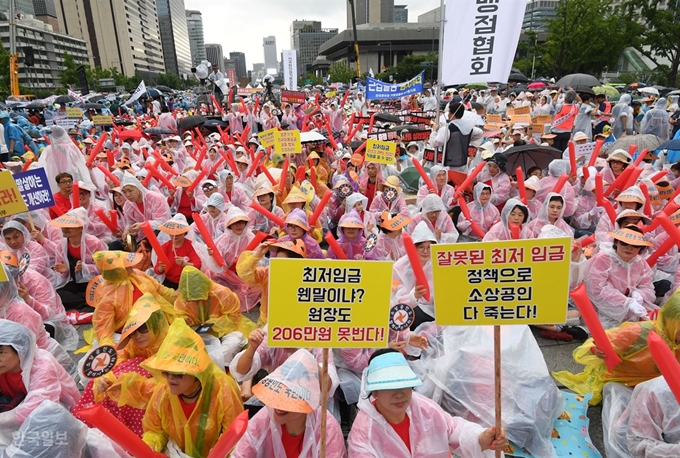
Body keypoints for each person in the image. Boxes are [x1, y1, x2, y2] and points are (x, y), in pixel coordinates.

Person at [347, 349, 507, 457]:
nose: (399, 395)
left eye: (404, 385)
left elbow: (452, 429)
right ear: (374, 392)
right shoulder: (363, 435)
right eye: (390, 387)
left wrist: (480, 438)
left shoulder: (423, 407)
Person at [554, 290, 680, 405]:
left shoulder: (675, 342)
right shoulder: (638, 333)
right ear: (672, 322)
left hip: (656, 386)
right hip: (622, 381)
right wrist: (597, 350)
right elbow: (600, 343)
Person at [142, 319, 244, 457]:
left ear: (196, 372)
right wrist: (150, 444)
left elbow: (233, 437)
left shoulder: (224, 389)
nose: (170, 378)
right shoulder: (164, 390)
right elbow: (155, 430)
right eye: (166, 371)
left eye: (178, 373)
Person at [72, 294, 169, 437]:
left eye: (143, 329)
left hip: (159, 402)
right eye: (133, 331)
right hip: (138, 386)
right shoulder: (136, 343)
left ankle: (120, 431)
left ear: (156, 325)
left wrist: (134, 385)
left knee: (130, 381)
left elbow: (169, 388)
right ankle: (91, 423)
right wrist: (105, 377)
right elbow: (119, 355)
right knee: (105, 380)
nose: (138, 336)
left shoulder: (170, 346)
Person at [232, 349, 346, 458]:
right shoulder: (262, 420)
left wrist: (311, 362)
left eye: (290, 398)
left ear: (308, 401)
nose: (279, 405)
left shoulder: (327, 428)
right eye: (278, 395)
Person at [0, 319, 80, 429]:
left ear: (20, 349)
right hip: (18, 404)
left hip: (56, 413)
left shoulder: (42, 366)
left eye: (1, 352)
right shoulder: (6, 365)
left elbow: (38, 408)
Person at [90, 250, 177, 347]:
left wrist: (180, 297)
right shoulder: (106, 295)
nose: (131, 266)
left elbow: (161, 290)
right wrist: (109, 350)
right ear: (117, 270)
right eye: (126, 265)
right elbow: (104, 328)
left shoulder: (138, 275)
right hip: (127, 335)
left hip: (152, 327)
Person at [584, 226, 656, 329]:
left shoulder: (639, 262)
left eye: (635, 245)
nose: (629, 248)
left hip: (632, 308)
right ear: (616, 242)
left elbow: (648, 287)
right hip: (601, 307)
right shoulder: (603, 259)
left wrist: (640, 295)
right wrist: (626, 302)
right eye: (624, 243)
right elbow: (596, 290)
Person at [49, 208, 107, 311]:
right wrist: (65, 270)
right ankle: (86, 302)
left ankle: (86, 302)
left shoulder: (94, 243)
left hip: (97, 282)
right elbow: (62, 274)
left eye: (70, 226)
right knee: (58, 294)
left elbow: (105, 266)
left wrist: (86, 268)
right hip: (76, 283)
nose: (65, 228)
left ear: (81, 228)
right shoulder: (60, 246)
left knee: (103, 291)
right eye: (64, 225)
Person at [120, 172, 172, 243]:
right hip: (141, 238)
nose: (128, 195)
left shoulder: (156, 199)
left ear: (138, 188)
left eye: (130, 191)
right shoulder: (127, 206)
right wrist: (128, 230)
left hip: (161, 236)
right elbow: (130, 222)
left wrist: (142, 225)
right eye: (124, 192)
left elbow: (161, 222)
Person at [155, 214, 202, 290]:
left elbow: (198, 265)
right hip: (169, 282)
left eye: (178, 233)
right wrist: (161, 268)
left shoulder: (190, 245)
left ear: (184, 232)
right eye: (172, 233)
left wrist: (185, 264)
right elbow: (157, 270)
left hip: (187, 282)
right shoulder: (165, 247)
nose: (175, 236)